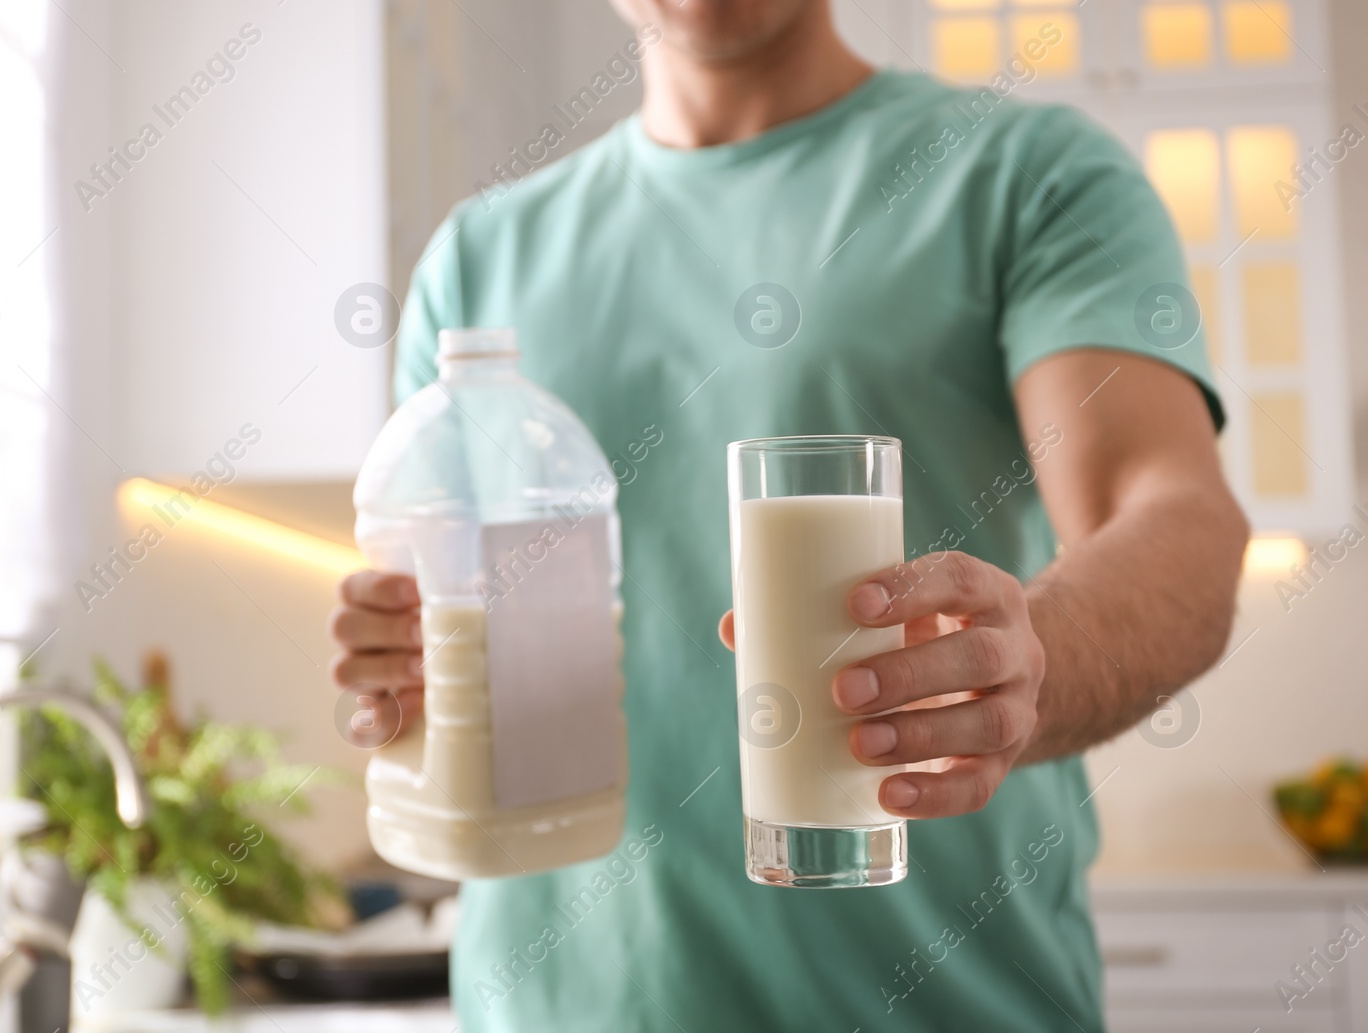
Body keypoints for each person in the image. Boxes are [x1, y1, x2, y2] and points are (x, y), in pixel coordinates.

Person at [327, 0, 1248, 1028]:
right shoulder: (478, 260)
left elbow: (1173, 514)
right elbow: (443, 642)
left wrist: (1037, 653)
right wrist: (404, 673)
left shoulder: (1026, 174)